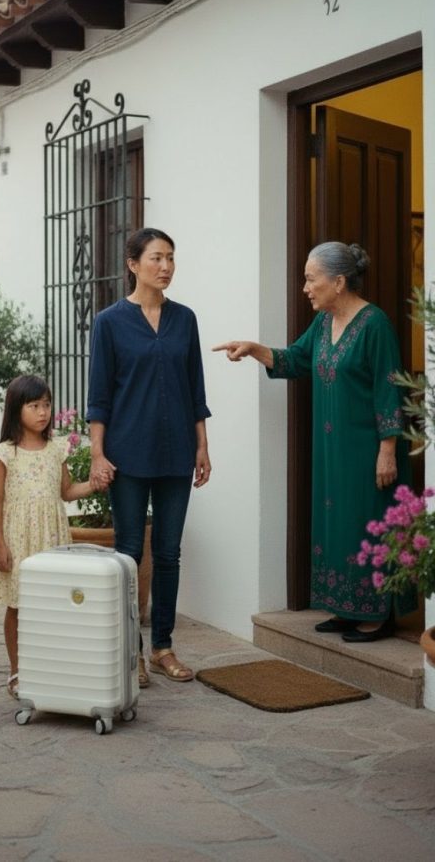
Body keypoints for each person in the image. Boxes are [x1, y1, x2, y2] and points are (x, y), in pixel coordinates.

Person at [214, 241, 416, 641]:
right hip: (330, 449)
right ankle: (344, 607)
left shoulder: (374, 325)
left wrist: (388, 450)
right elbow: (296, 359)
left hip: (366, 449)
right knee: (337, 524)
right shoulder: (324, 323)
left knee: (365, 523)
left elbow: (388, 388)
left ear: (338, 282)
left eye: (311, 279)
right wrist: (254, 350)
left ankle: (375, 613)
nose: (305, 288)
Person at [87, 227, 212, 688]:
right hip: (127, 455)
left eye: (171, 258)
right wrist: (97, 454)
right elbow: (99, 397)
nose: (166, 266)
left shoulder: (185, 319)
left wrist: (202, 445)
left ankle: (162, 647)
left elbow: (195, 389)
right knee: (128, 553)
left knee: (168, 552)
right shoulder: (109, 322)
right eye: (157, 257)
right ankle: (130, 652)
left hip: (177, 451)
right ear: (133, 264)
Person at [0, 374, 94, 698]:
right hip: (18, 540)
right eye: (34, 406)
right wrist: (0, 544)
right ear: (16, 409)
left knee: (53, 605)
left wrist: (95, 484)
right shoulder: (4, 453)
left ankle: (49, 668)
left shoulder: (56, 449)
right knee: (17, 606)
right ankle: (17, 670)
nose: (43, 412)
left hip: (51, 539)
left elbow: (66, 491)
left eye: (46, 404)